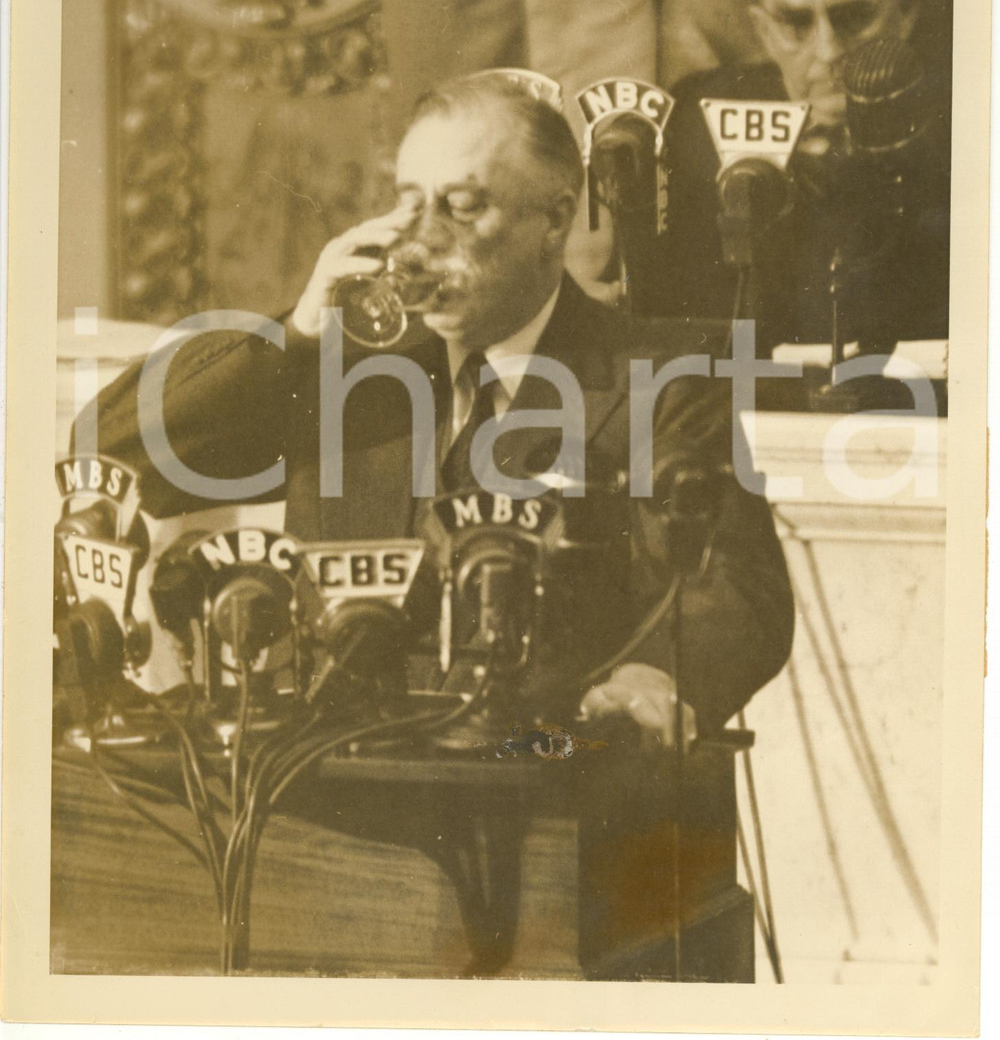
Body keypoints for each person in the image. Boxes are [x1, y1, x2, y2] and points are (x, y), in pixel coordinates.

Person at [79, 76, 793, 747]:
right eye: (410, 201)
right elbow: (112, 454)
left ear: (555, 220)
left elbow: (737, 588)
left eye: (462, 204)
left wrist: (654, 679)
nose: (421, 237)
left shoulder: (662, 376)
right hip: (337, 782)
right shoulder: (345, 368)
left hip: (548, 778)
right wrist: (295, 334)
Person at [622, 0, 950, 348]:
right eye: (797, 23)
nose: (829, 51)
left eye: (852, 17)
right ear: (763, 32)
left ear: (904, 14)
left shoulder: (961, 132)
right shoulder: (694, 125)